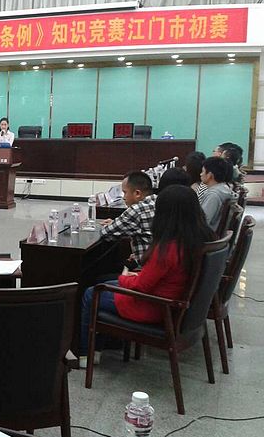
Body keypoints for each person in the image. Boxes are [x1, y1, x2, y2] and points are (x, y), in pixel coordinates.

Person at [80, 185, 216, 367]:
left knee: (92, 293)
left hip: (155, 306)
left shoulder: (168, 248)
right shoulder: (200, 238)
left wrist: (124, 277)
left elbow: (141, 286)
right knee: (106, 283)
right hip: (174, 303)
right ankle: (101, 347)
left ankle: (85, 354)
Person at [100, 171, 155, 263]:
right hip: (161, 262)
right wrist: (116, 223)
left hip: (145, 267)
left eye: (125, 192)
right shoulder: (158, 201)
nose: (123, 197)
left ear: (137, 193)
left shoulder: (136, 210)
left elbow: (106, 233)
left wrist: (113, 224)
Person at [199, 156, 236, 232]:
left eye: (202, 171)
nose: (200, 174)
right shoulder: (223, 188)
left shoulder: (213, 195)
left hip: (207, 235)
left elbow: (202, 222)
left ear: (209, 175)